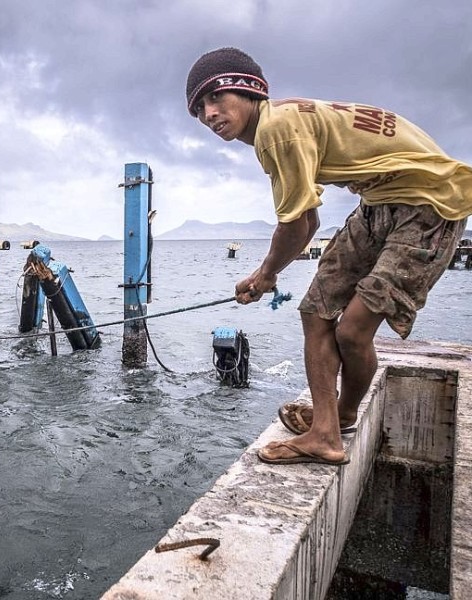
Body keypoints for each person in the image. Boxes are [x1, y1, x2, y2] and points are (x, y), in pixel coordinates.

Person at [185, 47, 472, 466]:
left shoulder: (276, 130)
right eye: (198, 109)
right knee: (316, 311)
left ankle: (335, 424)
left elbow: (297, 225)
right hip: (379, 200)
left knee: (352, 331)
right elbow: (311, 222)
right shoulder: (284, 123)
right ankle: (330, 425)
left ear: (249, 91)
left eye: (215, 97)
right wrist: (265, 272)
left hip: (430, 204)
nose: (209, 113)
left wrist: (265, 275)